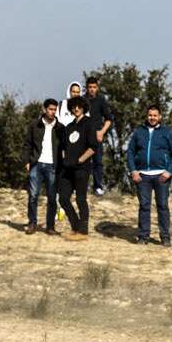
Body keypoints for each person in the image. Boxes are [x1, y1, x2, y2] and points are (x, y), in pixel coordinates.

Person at [127, 105, 172, 247]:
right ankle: (143, 236)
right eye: (150, 115)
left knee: (162, 205)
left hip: (161, 176)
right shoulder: (138, 132)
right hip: (142, 176)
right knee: (144, 206)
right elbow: (130, 152)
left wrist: (169, 171)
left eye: (155, 115)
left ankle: (165, 237)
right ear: (147, 116)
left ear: (160, 116)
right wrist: (133, 170)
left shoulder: (166, 133)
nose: (152, 118)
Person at [57, 96, 98, 241]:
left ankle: (83, 232)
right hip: (68, 169)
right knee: (63, 198)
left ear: (83, 108)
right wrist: (65, 159)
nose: (76, 109)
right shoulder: (69, 127)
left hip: (82, 168)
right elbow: (63, 147)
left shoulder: (89, 124)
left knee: (81, 199)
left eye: (79, 106)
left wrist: (80, 160)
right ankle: (75, 227)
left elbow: (93, 147)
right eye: (73, 107)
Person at [22, 99, 64, 235]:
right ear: (44, 109)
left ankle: (50, 226)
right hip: (36, 164)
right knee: (33, 195)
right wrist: (27, 162)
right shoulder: (35, 126)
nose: (53, 112)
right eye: (51, 109)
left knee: (52, 197)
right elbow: (27, 144)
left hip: (53, 165)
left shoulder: (60, 128)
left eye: (55, 109)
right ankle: (32, 223)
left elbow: (64, 147)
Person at [85, 77, 113, 196]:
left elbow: (108, 119)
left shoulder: (101, 100)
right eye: (90, 87)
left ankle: (98, 187)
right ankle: (80, 186)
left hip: (97, 136)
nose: (92, 89)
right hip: (84, 135)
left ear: (97, 88)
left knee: (98, 162)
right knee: (83, 162)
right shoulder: (82, 100)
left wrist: (102, 132)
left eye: (94, 87)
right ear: (86, 88)